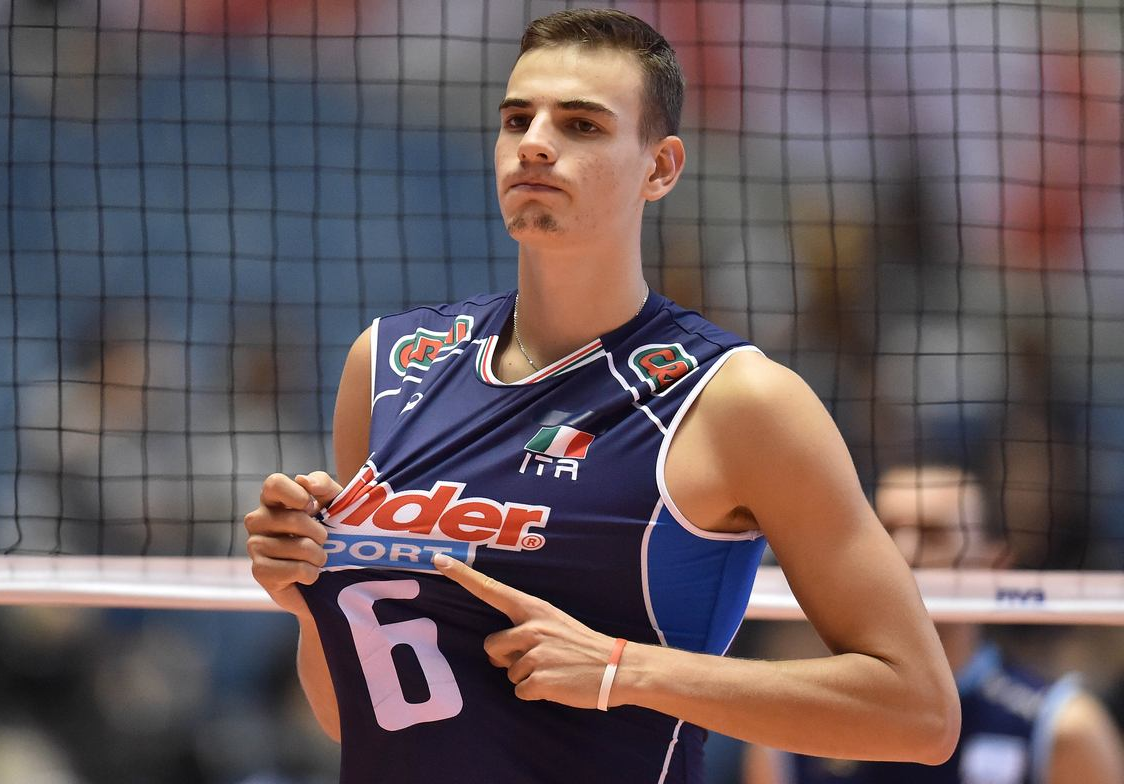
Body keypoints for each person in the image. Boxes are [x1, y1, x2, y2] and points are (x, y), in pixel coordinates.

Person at [244, 9, 959, 783]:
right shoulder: (389, 363)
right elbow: (356, 716)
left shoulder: (736, 400)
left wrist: (626, 669)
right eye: (517, 119)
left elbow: (919, 711)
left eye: (581, 125)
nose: (534, 143)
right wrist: (305, 594)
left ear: (661, 168)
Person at [744, 465, 1124, 784]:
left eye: (932, 533)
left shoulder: (1061, 729)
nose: (904, 552)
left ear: (993, 565)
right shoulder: (788, 729)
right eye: (886, 530)